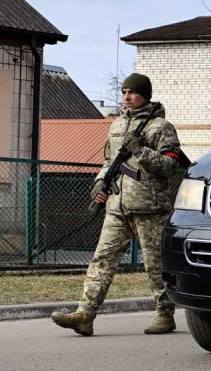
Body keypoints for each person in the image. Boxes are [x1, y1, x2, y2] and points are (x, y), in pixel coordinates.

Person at [52, 74, 183, 336]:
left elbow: (170, 165)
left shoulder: (160, 127)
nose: (127, 97)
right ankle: (85, 314)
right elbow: (108, 163)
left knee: (155, 264)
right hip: (117, 205)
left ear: (145, 94)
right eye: (124, 92)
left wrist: (140, 150)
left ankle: (164, 315)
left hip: (149, 207)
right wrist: (100, 184)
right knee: (102, 259)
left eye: (133, 92)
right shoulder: (117, 125)